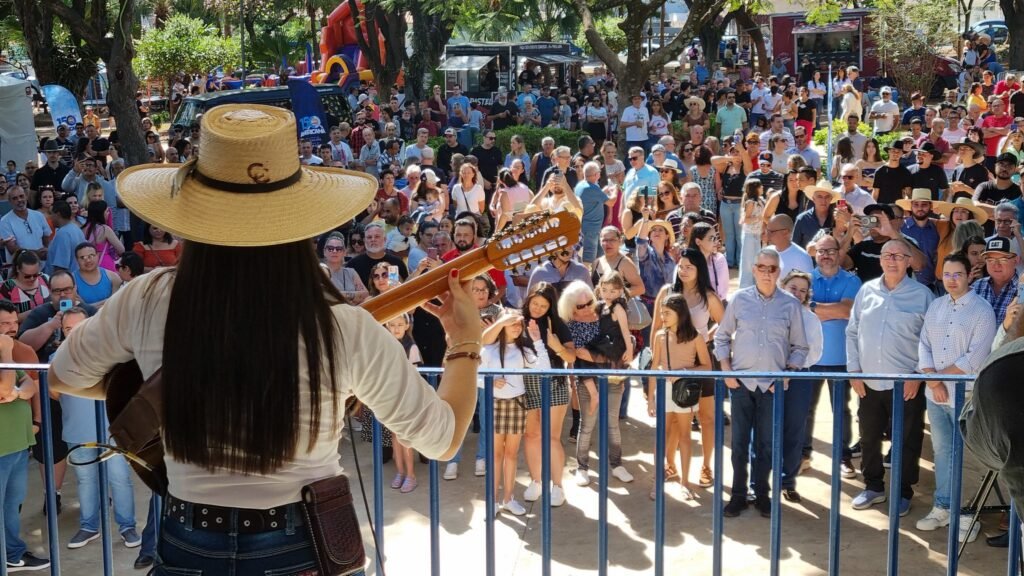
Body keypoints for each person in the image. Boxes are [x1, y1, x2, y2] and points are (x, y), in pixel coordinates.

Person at [48, 105, 481, 575]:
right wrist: (465, 342)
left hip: (185, 541)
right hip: (300, 546)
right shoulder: (345, 327)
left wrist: (161, 387)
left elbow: (64, 375)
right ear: (299, 221)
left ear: (196, 213)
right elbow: (441, 439)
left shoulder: (148, 298)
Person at [716, 248, 809, 518]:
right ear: (754, 269)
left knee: (766, 444)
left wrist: (786, 375)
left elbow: (800, 347)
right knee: (738, 445)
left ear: (779, 272)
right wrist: (727, 371)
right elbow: (722, 337)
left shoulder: (790, 304)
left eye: (772, 268)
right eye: (762, 267)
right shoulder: (739, 299)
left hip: (771, 386)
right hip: (741, 384)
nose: (767, 273)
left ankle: (762, 494)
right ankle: (737, 494)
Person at [846, 238, 934, 516]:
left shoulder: (923, 295)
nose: (892, 260)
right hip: (869, 382)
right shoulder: (866, 290)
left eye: (898, 255)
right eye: (887, 255)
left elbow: (931, 340)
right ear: (880, 260)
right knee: (869, 437)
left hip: (906, 384)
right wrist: (854, 371)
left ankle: (903, 492)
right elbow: (852, 331)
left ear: (909, 261)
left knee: (907, 440)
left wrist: (918, 375)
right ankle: (873, 486)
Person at [915, 253, 997, 541]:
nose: (952, 280)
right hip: (935, 396)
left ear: (969, 275)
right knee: (942, 451)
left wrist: (938, 379)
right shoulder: (936, 306)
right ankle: (943, 507)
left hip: (966, 396)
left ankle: (968, 513)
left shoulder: (982, 310)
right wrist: (933, 380)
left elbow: (975, 357)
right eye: (947, 274)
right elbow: (923, 345)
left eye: (958, 274)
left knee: (970, 455)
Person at [651, 248, 726, 489]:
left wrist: (706, 337)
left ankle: (706, 466)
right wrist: (656, 362)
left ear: (699, 269)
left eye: (689, 267)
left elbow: (726, 325)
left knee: (707, 417)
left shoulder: (708, 297)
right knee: (673, 420)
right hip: (671, 365)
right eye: (680, 266)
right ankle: (670, 465)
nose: (683, 271)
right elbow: (656, 328)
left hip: (701, 363)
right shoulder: (667, 292)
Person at [560, 280, 634, 487]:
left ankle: (617, 465)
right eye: (580, 305)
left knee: (613, 424)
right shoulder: (571, 325)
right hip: (587, 380)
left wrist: (617, 363)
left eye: (589, 303)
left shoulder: (604, 312)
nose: (586, 308)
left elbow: (622, 341)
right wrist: (608, 360)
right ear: (571, 307)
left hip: (612, 377)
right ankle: (582, 468)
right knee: (587, 425)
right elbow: (580, 356)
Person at [482, 310, 549, 515]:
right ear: (502, 324)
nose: (517, 327)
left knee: (511, 454)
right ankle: (493, 501)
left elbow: (544, 368)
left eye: (519, 323)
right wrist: (491, 382)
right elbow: (476, 375)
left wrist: (537, 340)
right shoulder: (489, 349)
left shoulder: (522, 350)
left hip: (517, 403)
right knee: (496, 454)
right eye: (512, 323)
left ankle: (508, 499)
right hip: (495, 403)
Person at [647, 293, 712, 500]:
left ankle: (685, 482)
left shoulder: (695, 337)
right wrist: (650, 398)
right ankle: (658, 480)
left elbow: (707, 367)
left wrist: (684, 371)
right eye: (661, 313)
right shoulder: (660, 336)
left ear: (679, 313)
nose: (663, 317)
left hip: (685, 391)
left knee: (685, 436)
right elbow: (654, 366)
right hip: (665, 389)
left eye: (667, 313)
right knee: (662, 436)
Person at [0, 301, 49, 572]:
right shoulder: (6, 352)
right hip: (1, 447)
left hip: (18, 444)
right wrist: (6, 351)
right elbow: (4, 388)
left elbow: (28, 385)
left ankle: (12, 553)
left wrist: (16, 393)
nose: (11, 328)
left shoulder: (10, 355)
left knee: (12, 505)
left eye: (13, 322)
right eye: (4, 323)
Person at [778, 270, 823, 502]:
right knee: (764, 429)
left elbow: (814, 353)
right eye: (793, 288)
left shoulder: (810, 319)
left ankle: (787, 482)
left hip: (800, 378)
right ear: (783, 286)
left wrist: (792, 366)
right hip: (769, 376)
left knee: (794, 430)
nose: (797, 293)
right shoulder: (769, 312)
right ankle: (759, 483)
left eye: (803, 291)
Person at [972, 237, 1020, 325]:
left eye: (1003, 260)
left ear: (1016, 260)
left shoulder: (1021, 290)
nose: (996, 265)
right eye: (990, 260)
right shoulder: (977, 286)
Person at [321, 232, 369, 304]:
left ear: (344, 253)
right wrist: (352, 295)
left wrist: (339, 296)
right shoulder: (320, 271)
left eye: (339, 249)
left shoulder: (351, 272)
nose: (334, 251)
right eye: (330, 248)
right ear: (324, 252)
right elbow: (324, 295)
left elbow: (365, 294)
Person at [71, 242, 122, 307]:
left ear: (98, 256)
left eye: (91, 256)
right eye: (82, 257)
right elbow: (74, 308)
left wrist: (86, 306)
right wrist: (106, 302)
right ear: (77, 260)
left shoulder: (113, 277)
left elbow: (116, 303)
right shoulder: (71, 280)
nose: (88, 260)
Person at [44, 200, 87, 275]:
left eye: (52, 214)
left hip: (66, 279)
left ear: (58, 214)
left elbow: (60, 266)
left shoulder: (63, 233)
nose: (51, 218)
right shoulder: (76, 229)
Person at [765, 214, 813, 278]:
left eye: (771, 232)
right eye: (767, 231)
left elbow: (808, 283)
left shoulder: (801, 258)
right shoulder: (766, 252)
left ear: (785, 232)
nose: (767, 235)